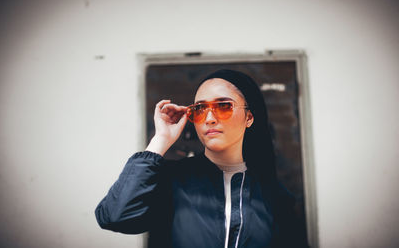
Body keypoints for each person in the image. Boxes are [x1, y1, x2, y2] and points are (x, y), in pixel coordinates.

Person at [95, 69, 304, 248]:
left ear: (248, 117)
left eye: (223, 106)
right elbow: (115, 216)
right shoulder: (171, 181)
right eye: (200, 109)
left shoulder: (275, 195)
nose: (210, 118)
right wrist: (161, 139)